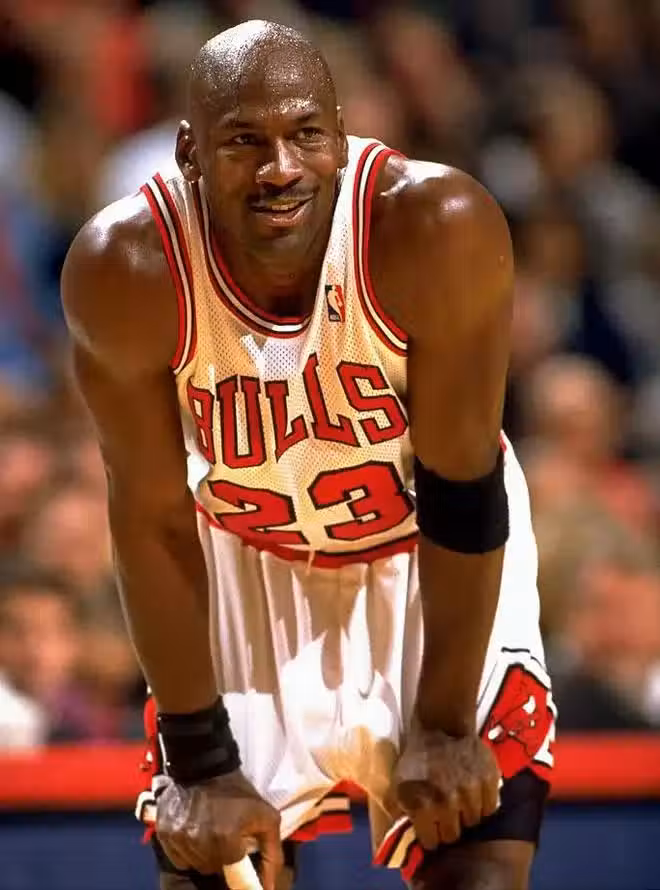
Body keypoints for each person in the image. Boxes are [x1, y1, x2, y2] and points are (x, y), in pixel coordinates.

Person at [60, 20, 555, 890]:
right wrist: (201, 760)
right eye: (244, 142)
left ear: (343, 134)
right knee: (211, 860)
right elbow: (150, 519)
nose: (280, 167)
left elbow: (463, 487)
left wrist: (444, 724)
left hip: (426, 563)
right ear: (189, 152)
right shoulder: (126, 266)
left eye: (305, 134)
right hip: (245, 559)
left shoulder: (435, 225)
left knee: (477, 860)